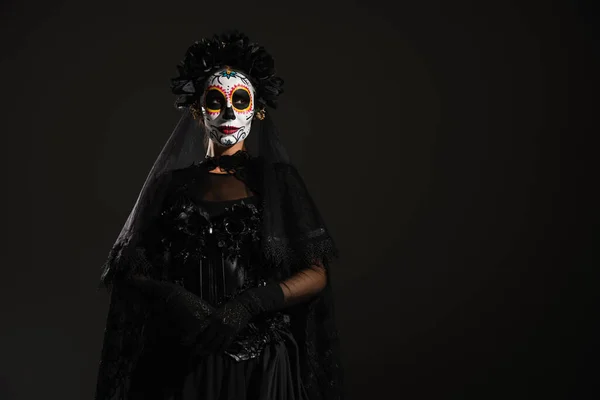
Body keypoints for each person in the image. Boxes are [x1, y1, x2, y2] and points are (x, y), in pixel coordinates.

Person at [94, 31, 344, 400]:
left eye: (240, 100)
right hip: (181, 361)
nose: (228, 112)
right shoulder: (169, 186)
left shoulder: (277, 183)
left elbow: (315, 272)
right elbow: (129, 269)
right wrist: (173, 297)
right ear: (197, 109)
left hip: (261, 364)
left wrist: (252, 304)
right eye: (215, 100)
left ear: (257, 109)